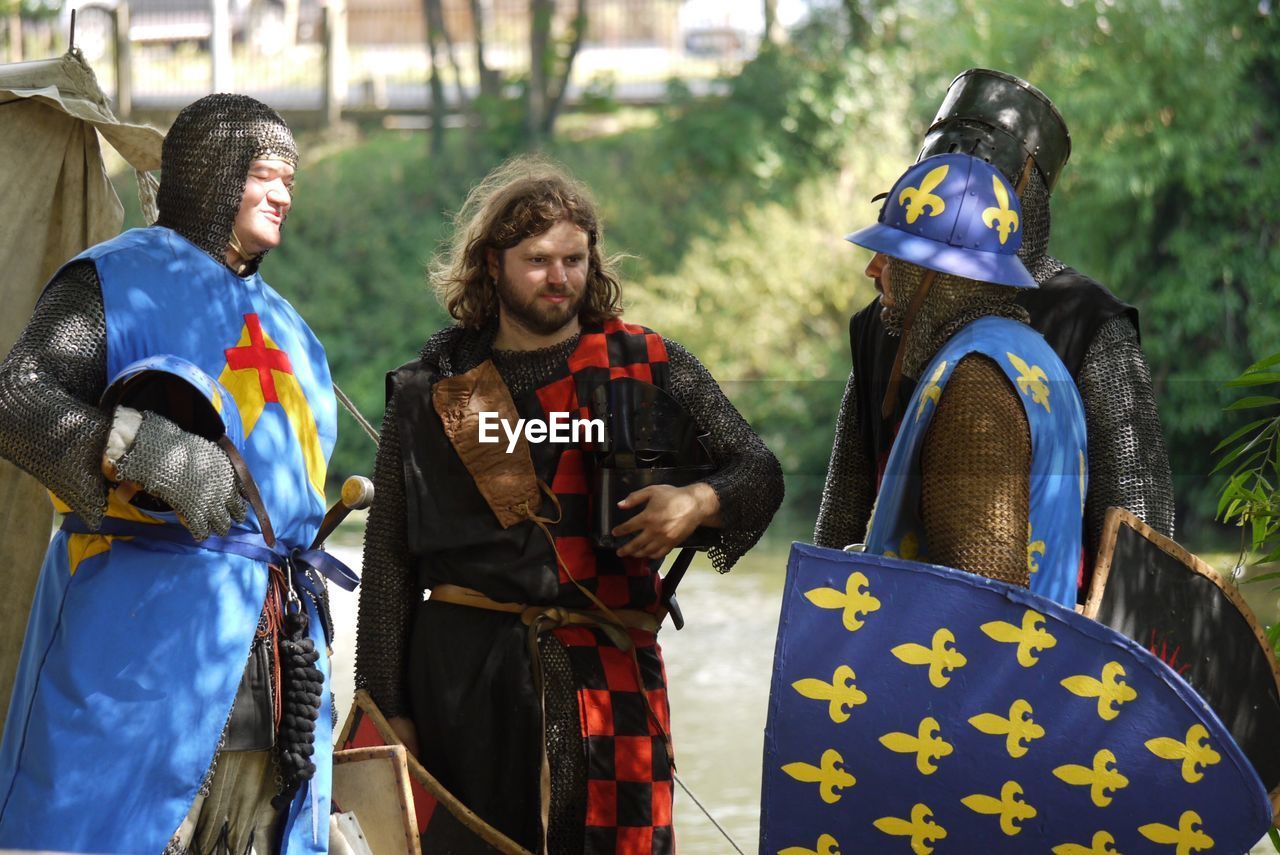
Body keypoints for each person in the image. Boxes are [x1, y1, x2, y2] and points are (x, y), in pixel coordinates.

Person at [354, 155, 784, 854]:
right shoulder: (440, 388)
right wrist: (386, 707)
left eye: (575, 259)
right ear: (491, 264)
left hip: (607, 673)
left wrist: (697, 501)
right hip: (465, 683)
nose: (560, 278)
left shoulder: (647, 364)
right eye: (537, 260)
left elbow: (758, 471)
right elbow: (391, 561)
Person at [0, 94, 338, 854]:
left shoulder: (293, 329)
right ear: (209, 175)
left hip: (274, 647)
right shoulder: (118, 281)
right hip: (140, 643)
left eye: (290, 178)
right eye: (263, 175)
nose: (283, 193)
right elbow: (18, 399)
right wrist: (146, 451)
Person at [815, 69, 1173, 587]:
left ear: (1023, 192)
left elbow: (1139, 535)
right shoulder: (884, 319)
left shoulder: (1086, 320)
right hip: (900, 617)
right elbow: (848, 506)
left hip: (1036, 633)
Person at [845, 152, 1087, 605]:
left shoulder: (977, 381)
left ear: (939, 275)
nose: (873, 270)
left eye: (894, 254)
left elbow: (981, 598)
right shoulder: (1028, 355)